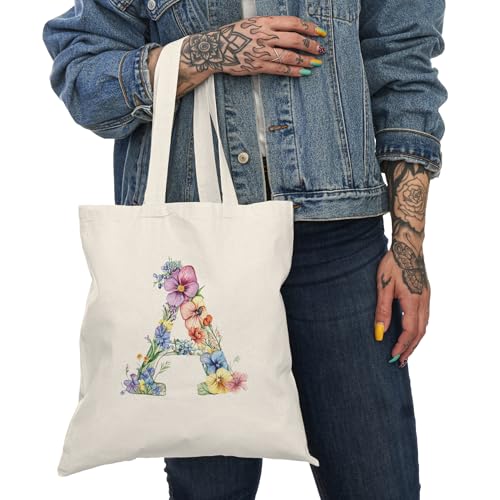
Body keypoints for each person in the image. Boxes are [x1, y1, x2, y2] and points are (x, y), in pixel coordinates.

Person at [42, 0, 447, 498]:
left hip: (339, 246)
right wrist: (208, 52)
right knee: (210, 490)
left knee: (378, 483)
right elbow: (84, 78)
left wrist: (409, 244)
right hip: (196, 254)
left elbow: (403, 63)